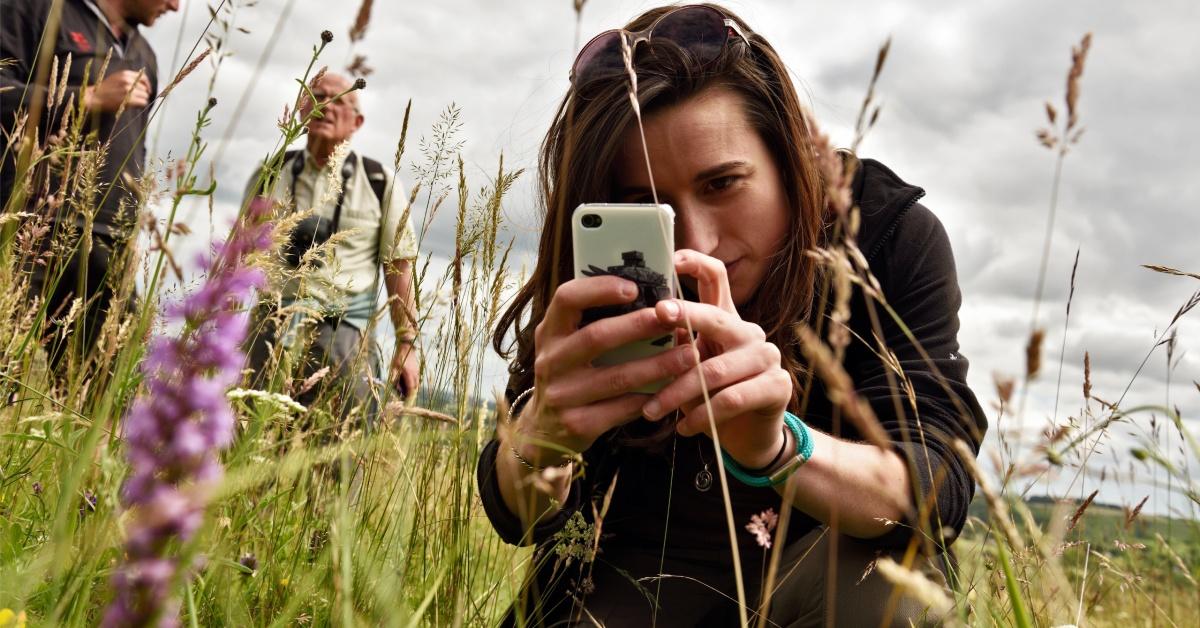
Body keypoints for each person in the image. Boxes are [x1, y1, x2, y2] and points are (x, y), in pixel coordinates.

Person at [476, 4, 987, 626]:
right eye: (647, 207)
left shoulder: (882, 236)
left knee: (887, 591)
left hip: (815, 581)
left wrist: (777, 448)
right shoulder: (596, 270)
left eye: (722, 184)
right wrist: (538, 443)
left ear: (789, 159)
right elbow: (518, 518)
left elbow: (934, 490)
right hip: (625, 581)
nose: (698, 243)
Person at [1, 0, 180, 371]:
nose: (175, 6)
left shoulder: (144, 52)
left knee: (103, 391)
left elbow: (137, 147)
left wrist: (131, 224)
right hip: (27, 226)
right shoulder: (33, 10)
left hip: (109, 239)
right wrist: (87, 98)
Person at [246, 72, 420, 427]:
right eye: (316, 95)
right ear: (300, 109)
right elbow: (239, 254)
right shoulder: (270, 172)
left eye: (339, 100)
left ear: (357, 122)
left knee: (337, 448)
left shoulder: (379, 182)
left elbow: (398, 267)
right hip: (267, 328)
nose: (325, 104)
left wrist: (407, 344)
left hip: (343, 334)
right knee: (247, 433)